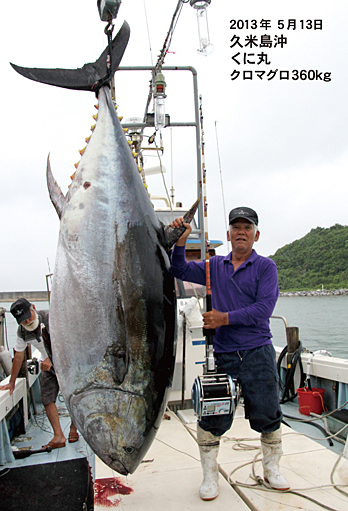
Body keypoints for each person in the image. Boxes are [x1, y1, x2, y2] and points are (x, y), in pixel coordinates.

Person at [170, 207, 290, 500]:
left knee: (268, 412)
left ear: (256, 235)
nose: (241, 232)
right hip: (222, 353)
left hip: (258, 351)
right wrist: (181, 242)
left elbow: (264, 309)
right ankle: (210, 477)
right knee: (213, 414)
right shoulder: (213, 266)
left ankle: (271, 470)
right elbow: (180, 270)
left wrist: (224, 318)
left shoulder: (266, 268)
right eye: (235, 227)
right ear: (228, 234)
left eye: (246, 227)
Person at [0, 298, 79, 449]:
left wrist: (51, 357)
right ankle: (58, 436)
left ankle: (74, 429)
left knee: (74, 397)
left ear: (33, 308)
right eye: (23, 321)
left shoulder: (51, 318)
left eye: (28, 316)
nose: (27, 321)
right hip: (47, 366)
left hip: (68, 363)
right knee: (47, 398)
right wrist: (11, 381)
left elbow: (69, 341)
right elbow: (18, 356)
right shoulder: (22, 332)